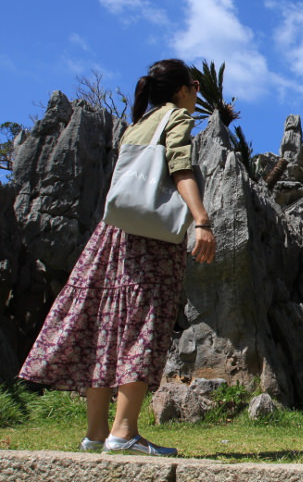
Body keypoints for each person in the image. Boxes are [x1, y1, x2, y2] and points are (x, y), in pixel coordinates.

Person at [18, 58, 216, 457]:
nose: (197, 92)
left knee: (106, 325)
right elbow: (180, 166)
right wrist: (201, 220)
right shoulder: (176, 117)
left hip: (113, 235)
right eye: (194, 85)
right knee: (143, 325)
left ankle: (95, 434)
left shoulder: (135, 125)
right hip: (152, 241)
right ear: (181, 89)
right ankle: (124, 432)